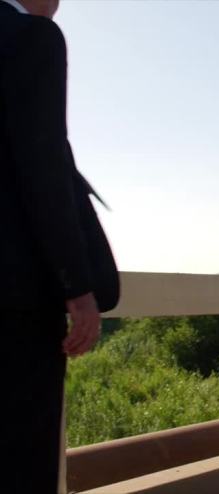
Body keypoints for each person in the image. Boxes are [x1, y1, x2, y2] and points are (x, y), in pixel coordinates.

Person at [0, 1, 119, 492]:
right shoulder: (32, 37)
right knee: (21, 458)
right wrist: (78, 288)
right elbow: (43, 166)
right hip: (17, 302)